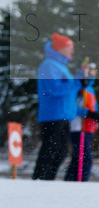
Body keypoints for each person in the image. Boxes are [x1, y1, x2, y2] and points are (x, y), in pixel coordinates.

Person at [33, 33, 91, 180]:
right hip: (52, 115)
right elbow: (54, 89)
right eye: (70, 48)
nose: (72, 51)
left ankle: (48, 179)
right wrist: (77, 82)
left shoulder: (61, 67)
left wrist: (84, 81)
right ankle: (40, 178)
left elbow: (70, 91)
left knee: (61, 151)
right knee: (51, 149)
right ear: (60, 49)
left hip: (64, 115)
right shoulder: (49, 65)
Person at [65, 62, 99, 182]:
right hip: (78, 126)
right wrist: (88, 113)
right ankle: (81, 181)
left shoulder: (90, 88)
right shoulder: (78, 85)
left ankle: (71, 181)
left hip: (88, 127)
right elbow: (72, 106)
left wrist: (96, 116)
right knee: (85, 157)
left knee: (78, 157)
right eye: (92, 69)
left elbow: (92, 107)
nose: (95, 72)